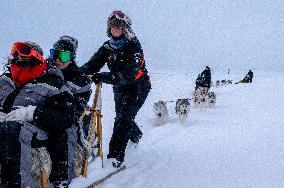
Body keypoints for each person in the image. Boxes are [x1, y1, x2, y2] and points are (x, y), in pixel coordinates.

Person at [0, 41, 77, 187]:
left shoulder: (52, 84)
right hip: (6, 124)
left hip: (36, 130)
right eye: (16, 57)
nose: (18, 61)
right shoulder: (4, 81)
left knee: (11, 131)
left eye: (23, 58)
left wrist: (33, 113)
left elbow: (66, 116)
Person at [80, 10, 151, 168]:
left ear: (125, 29)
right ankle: (137, 135)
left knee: (123, 118)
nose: (114, 30)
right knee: (122, 116)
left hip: (138, 86)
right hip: (119, 87)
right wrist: (76, 73)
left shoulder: (134, 47)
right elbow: (92, 64)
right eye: (112, 27)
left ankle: (115, 158)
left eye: (118, 27)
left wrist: (104, 76)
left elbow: (130, 74)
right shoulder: (108, 47)